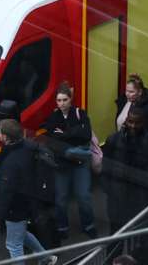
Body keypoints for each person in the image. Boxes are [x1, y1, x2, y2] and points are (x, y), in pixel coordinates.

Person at [0, 120, 56, 265]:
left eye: (0, 132)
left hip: (15, 207)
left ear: (5, 137)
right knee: (21, 234)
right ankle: (46, 258)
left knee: (13, 245)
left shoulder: (11, 162)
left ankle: (46, 258)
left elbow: (6, 191)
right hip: (28, 200)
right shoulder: (28, 147)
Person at [101, 107, 148, 258]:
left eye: (137, 122)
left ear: (144, 122)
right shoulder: (113, 140)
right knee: (116, 237)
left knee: (144, 237)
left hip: (141, 199)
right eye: (130, 122)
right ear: (126, 120)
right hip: (118, 199)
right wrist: (109, 190)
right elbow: (105, 168)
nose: (133, 126)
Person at [42, 83, 97, 239]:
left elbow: (86, 135)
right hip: (63, 164)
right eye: (59, 100)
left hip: (78, 162)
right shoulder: (53, 118)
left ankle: (88, 225)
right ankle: (62, 227)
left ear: (70, 99)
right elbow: (52, 141)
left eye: (64, 100)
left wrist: (64, 134)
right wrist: (74, 134)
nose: (62, 103)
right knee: (61, 199)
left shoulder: (80, 113)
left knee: (84, 196)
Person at [115, 73, 148, 140]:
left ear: (140, 92)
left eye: (131, 92)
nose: (127, 94)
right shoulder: (123, 102)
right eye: (126, 91)